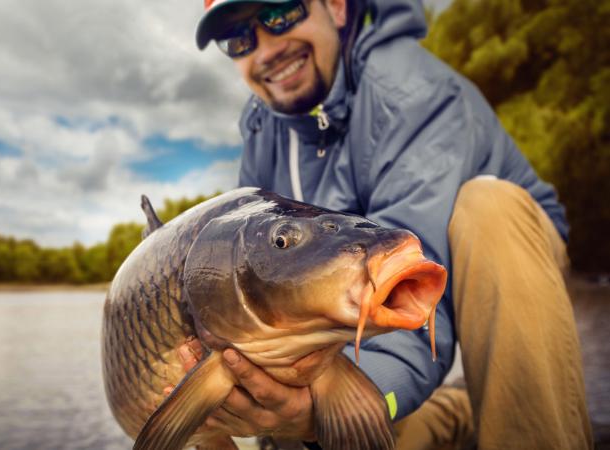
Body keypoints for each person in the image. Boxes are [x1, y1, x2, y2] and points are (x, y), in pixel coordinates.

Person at [174, 0, 594, 448]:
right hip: (359, 287)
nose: (265, 48)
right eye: (237, 38)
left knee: (488, 208)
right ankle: (453, 414)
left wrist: (331, 408)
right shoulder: (262, 128)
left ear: (335, 6)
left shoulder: (410, 91)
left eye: (280, 12)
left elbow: (404, 295)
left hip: (506, 258)